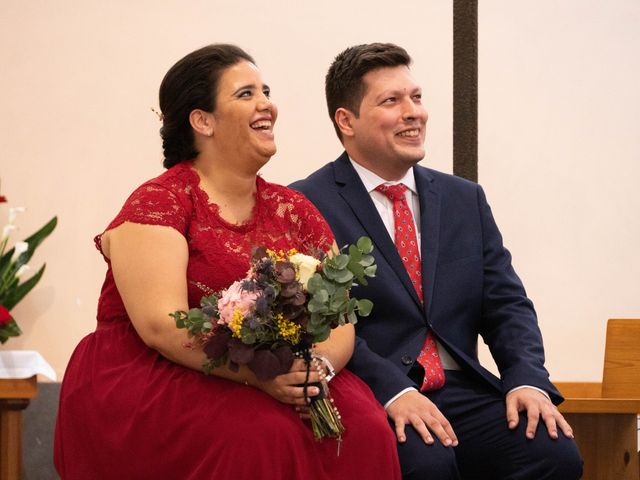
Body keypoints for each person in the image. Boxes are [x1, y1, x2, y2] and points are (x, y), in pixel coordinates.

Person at [54, 44, 401, 480]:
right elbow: (160, 325)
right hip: (162, 370)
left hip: (280, 367)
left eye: (266, 91)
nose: (267, 104)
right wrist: (258, 376)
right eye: (245, 94)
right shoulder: (161, 202)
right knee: (261, 435)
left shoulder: (295, 208)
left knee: (366, 428)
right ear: (202, 121)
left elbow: (341, 315)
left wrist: (317, 369)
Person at [290, 43, 583, 480]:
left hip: (461, 386)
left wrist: (526, 379)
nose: (414, 113)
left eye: (417, 97)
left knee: (552, 453)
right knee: (427, 464)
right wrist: (393, 391)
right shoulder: (307, 203)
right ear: (346, 121)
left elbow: (506, 305)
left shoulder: (465, 198)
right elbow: (322, 327)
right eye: (392, 101)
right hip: (374, 393)